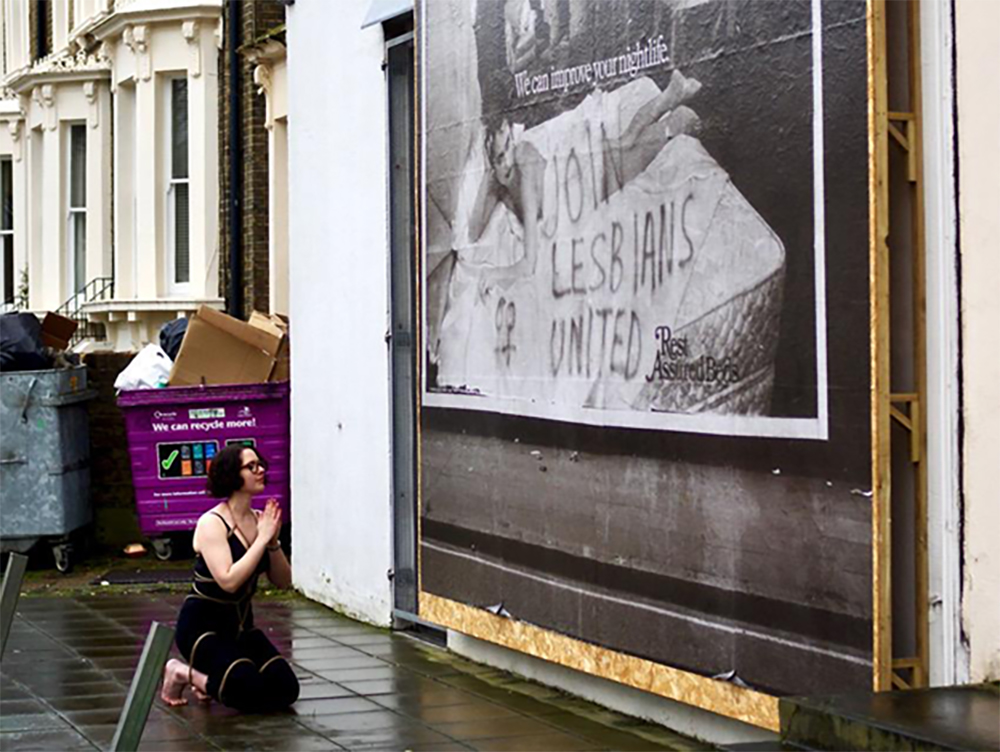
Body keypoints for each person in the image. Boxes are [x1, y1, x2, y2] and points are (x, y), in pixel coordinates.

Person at [159, 444, 298, 711]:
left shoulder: (260, 520)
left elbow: (283, 582)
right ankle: (181, 672)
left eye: (260, 465)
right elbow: (229, 581)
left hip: (241, 628)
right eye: (251, 467)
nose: (260, 471)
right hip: (201, 629)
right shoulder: (212, 523)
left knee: (285, 688)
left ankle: (212, 680)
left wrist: (272, 542)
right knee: (243, 690)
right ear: (232, 475)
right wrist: (262, 539)